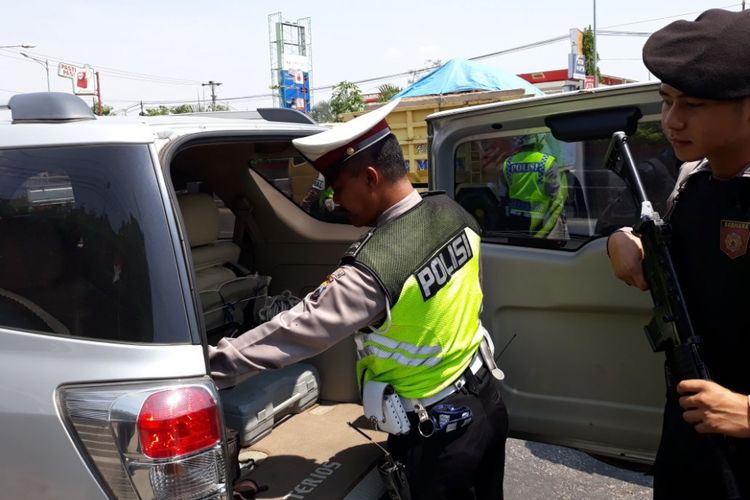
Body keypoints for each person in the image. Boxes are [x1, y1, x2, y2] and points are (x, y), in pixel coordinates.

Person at [209, 98, 509, 500]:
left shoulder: (376, 267)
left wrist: (206, 367)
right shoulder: (453, 213)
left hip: (438, 435)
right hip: (487, 402)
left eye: (339, 188)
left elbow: (296, 330)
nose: (333, 201)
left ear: (370, 177)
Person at [607, 9, 750, 498]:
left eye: (692, 104)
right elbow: (627, 212)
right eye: (665, 100)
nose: (671, 121)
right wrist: (620, 238)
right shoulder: (689, 176)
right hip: (688, 440)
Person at [500, 133, 568, 239]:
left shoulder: (508, 163)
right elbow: (554, 194)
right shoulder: (548, 162)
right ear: (539, 142)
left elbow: (504, 193)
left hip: (515, 218)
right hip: (539, 220)